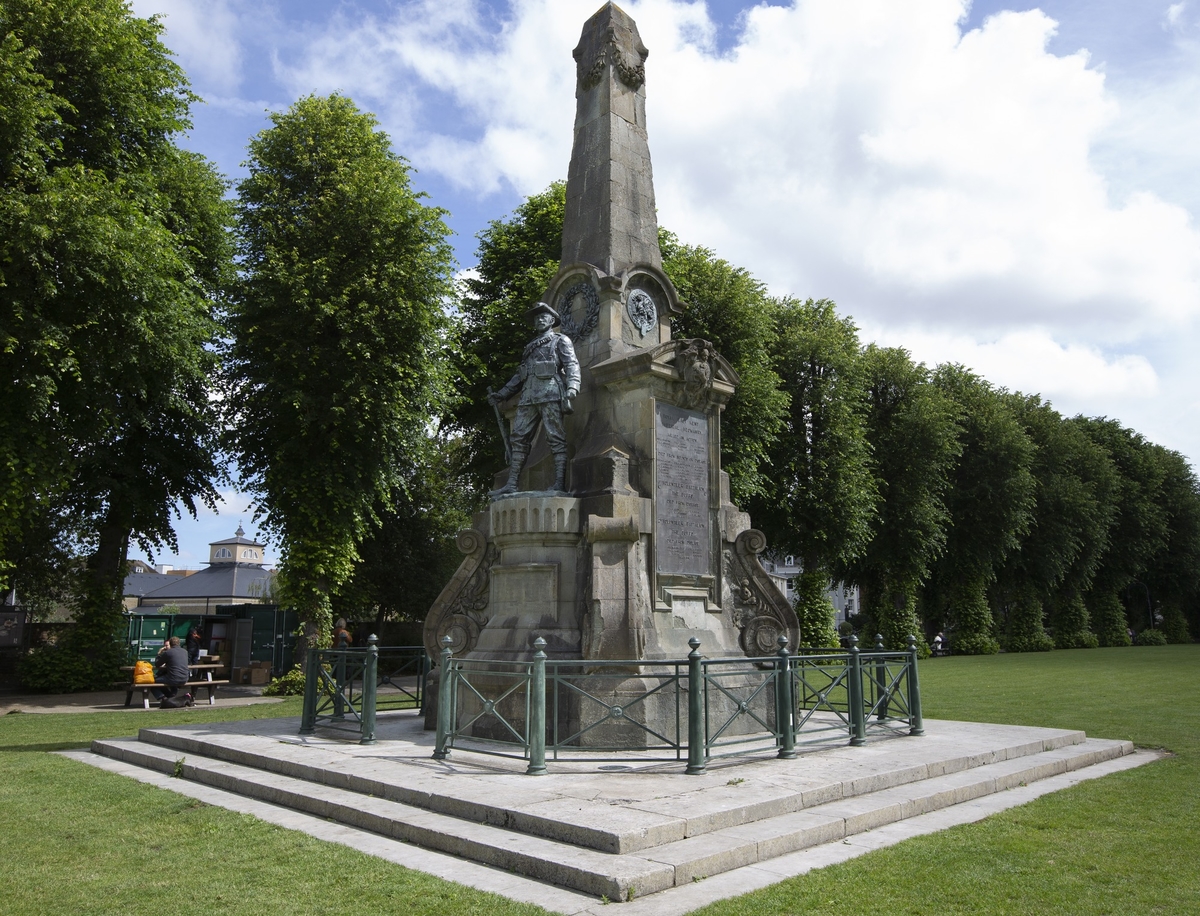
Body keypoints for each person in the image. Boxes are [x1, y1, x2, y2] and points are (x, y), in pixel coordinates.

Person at [488, 302, 581, 495]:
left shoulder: (560, 340)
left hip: (550, 393)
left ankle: (558, 484)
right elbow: (520, 375)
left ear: (552, 320)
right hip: (528, 396)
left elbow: (571, 364)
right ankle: (512, 483)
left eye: (543, 317)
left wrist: (573, 386)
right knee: (518, 438)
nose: (539, 320)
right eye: (537, 318)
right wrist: (503, 393)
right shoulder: (530, 346)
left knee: (555, 437)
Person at [153, 636, 191, 702]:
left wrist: (159, 654)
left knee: (152, 682)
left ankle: (162, 697)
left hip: (173, 678)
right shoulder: (185, 652)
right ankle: (171, 695)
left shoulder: (168, 652)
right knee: (173, 677)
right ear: (179, 643)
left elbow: (157, 664)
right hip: (185, 678)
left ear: (170, 644)